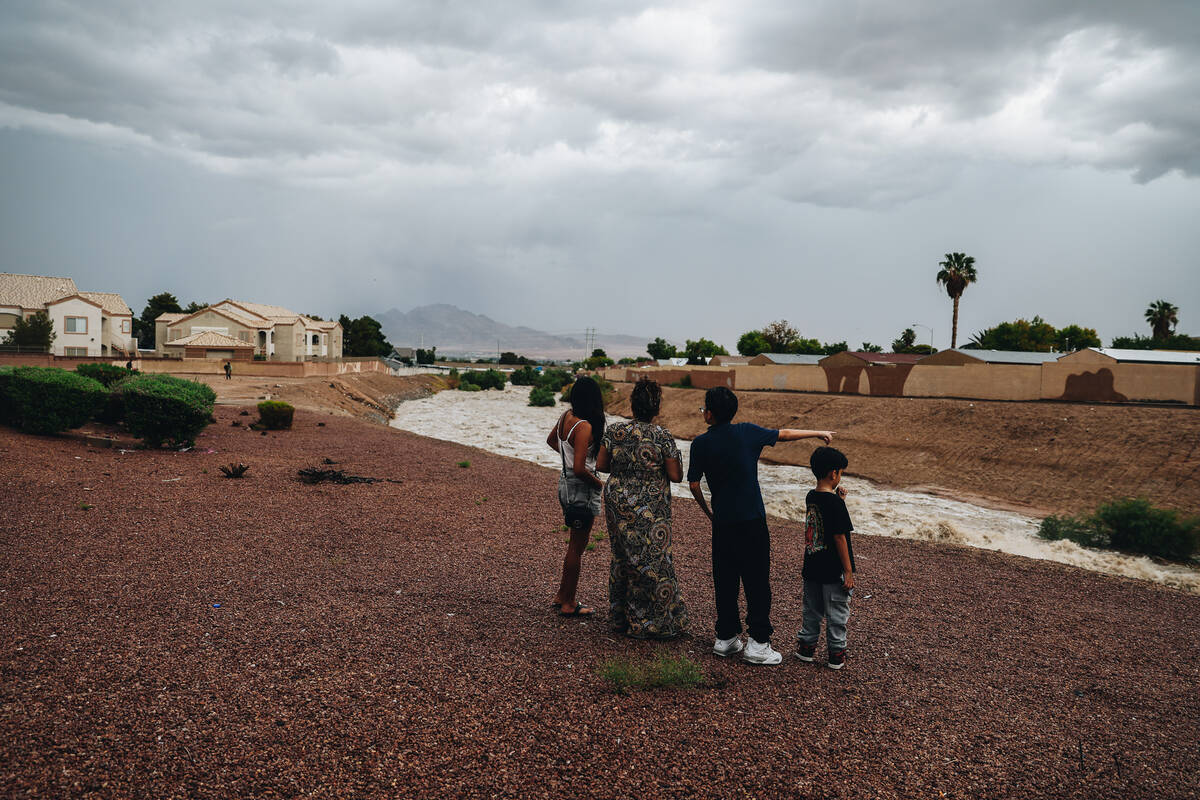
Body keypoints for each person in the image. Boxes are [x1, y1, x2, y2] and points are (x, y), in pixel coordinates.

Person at [687, 386, 833, 665]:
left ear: (710, 414)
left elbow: (693, 484)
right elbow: (785, 434)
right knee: (756, 582)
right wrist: (817, 432)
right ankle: (758, 644)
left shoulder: (700, 444)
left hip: (724, 523)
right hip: (752, 521)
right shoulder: (747, 432)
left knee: (725, 580)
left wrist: (709, 513)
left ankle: (726, 638)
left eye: (704, 408)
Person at [596, 378, 689, 638]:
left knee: (623, 555)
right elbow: (675, 475)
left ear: (632, 404)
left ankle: (620, 618)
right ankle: (651, 623)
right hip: (651, 503)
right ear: (656, 407)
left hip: (618, 500)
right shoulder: (662, 435)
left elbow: (602, 466)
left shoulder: (614, 431)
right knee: (653, 559)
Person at [545, 376, 606, 617]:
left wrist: (567, 457)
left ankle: (562, 595)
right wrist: (599, 483)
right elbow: (581, 469)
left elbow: (552, 441)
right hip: (580, 487)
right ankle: (569, 602)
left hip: (564, 483)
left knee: (574, 543)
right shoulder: (585, 426)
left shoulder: (565, 417)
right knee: (577, 547)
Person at [795, 446, 855, 670]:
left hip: (812, 566)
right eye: (841, 473)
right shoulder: (835, 504)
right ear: (834, 474)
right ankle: (836, 654)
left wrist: (840, 500)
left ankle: (806, 648)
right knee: (837, 611)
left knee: (812, 609)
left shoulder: (811, 496)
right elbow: (839, 536)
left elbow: (825, 521)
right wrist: (848, 571)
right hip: (832, 570)